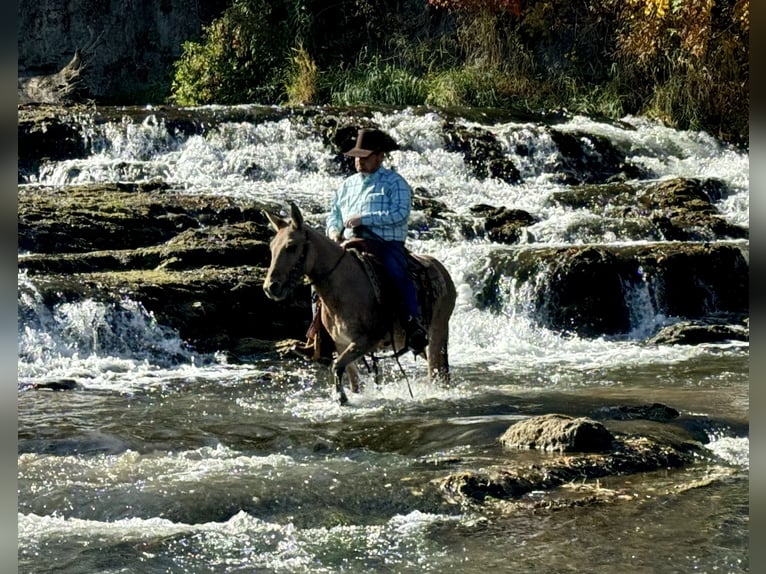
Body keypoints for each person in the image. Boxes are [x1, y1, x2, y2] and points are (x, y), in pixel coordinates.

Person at [293, 127, 428, 358]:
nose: (359, 162)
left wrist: (365, 219)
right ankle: (318, 337)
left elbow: (400, 214)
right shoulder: (347, 185)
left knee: (397, 273)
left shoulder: (395, 183)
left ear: (380, 156)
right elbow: (334, 215)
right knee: (320, 281)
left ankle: (412, 324)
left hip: (385, 244)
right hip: (348, 243)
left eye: (364, 157)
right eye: (356, 157)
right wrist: (335, 231)